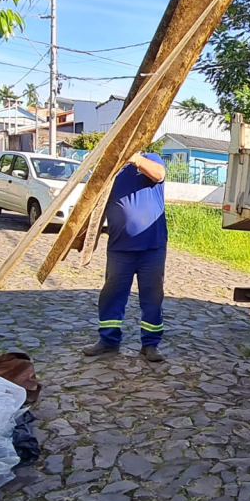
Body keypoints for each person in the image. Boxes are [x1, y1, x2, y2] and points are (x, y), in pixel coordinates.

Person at [83, 151, 168, 362]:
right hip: (119, 247)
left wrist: (134, 158)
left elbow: (159, 174)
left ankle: (150, 345)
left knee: (152, 297)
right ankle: (108, 341)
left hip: (152, 246)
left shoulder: (150, 159)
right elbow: (96, 206)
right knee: (112, 295)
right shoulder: (110, 170)